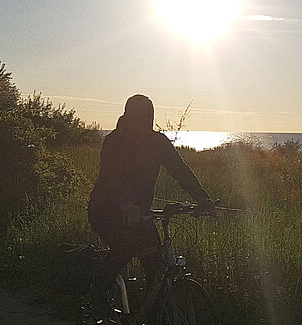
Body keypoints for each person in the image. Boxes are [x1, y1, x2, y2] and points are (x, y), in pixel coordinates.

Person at [87, 94, 214, 313]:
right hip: (105, 210)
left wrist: (202, 198)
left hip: (140, 216)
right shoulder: (115, 141)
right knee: (125, 247)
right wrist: (124, 203)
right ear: (128, 116)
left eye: (147, 117)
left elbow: (179, 170)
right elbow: (110, 178)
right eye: (139, 118)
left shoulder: (158, 142)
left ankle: (149, 320)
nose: (144, 122)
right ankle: (97, 299)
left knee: (156, 267)